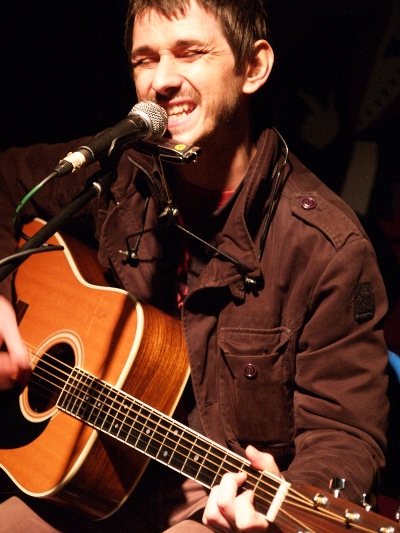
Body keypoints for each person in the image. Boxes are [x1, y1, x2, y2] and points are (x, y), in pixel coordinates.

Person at [0, 0, 390, 531]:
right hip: (87, 473)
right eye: (145, 59)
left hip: (208, 503)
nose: (161, 80)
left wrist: (281, 512)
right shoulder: (117, 175)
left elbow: (345, 435)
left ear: (253, 67)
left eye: (190, 53)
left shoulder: (327, 247)